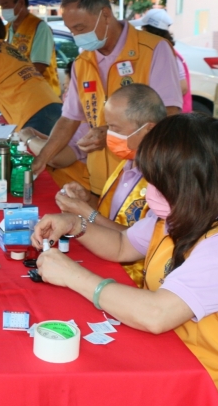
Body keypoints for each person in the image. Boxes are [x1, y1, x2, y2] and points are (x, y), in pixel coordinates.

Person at [32, 113, 218, 405]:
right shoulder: (184, 212)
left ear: (193, 181)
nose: (149, 192)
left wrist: (72, 276)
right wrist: (75, 224)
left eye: (158, 182)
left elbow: (156, 314)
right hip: (182, 374)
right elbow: (122, 245)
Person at [31, 0, 182, 195]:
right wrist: (42, 159)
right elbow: (69, 119)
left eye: (80, 28)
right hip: (99, 181)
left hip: (142, 182)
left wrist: (112, 134)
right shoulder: (82, 62)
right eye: (71, 30)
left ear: (105, 14)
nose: (76, 36)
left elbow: (170, 115)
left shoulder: (154, 49)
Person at [54, 84, 166, 287]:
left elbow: (138, 240)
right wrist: (88, 200)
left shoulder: (164, 178)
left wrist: (85, 213)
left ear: (148, 129)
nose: (108, 135)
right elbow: (114, 215)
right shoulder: (128, 163)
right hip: (108, 260)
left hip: (136, 282)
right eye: (108, 127)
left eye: (115, 129)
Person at [18, 61, 91, 189]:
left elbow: (55, 157)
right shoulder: (80, 123)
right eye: (65, 88)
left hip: (77, 191)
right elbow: (61, 145)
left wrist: (28, 137)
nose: (65, 95)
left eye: (69, 90)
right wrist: (37, 135)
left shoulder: (87, 128)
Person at [0, 0, 61, 96]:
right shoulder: (6, 29)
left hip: (41, 96)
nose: (3, 10)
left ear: (21, 3)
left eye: (5, 5)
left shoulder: (39, 27)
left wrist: (10, 82)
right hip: (18, 95)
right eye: (1, 6)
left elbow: (38, 67)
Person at [131, 9, 191, 113]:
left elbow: (183, 86)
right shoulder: (160, 52)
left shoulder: (167, 54)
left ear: (148, 31)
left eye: (142, 29)